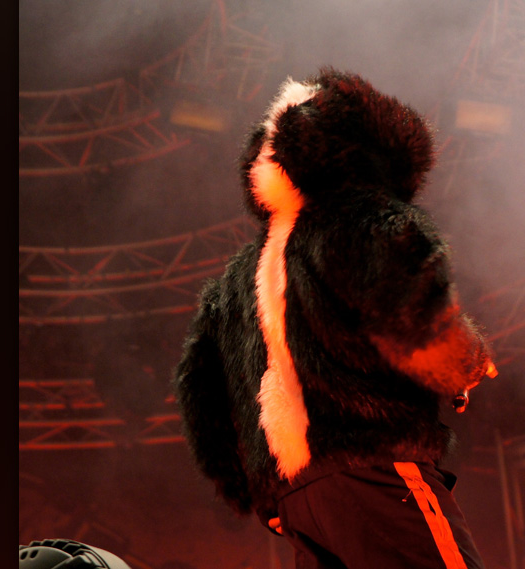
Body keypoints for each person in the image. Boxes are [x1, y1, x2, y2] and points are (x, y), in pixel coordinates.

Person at [173, 67, 497, 569]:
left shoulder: (232, 283)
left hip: (295, 499)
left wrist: (255, 492)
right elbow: (415, 318)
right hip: (375, 467)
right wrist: (466, 365)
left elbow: (200, 401)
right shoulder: (368, 220)